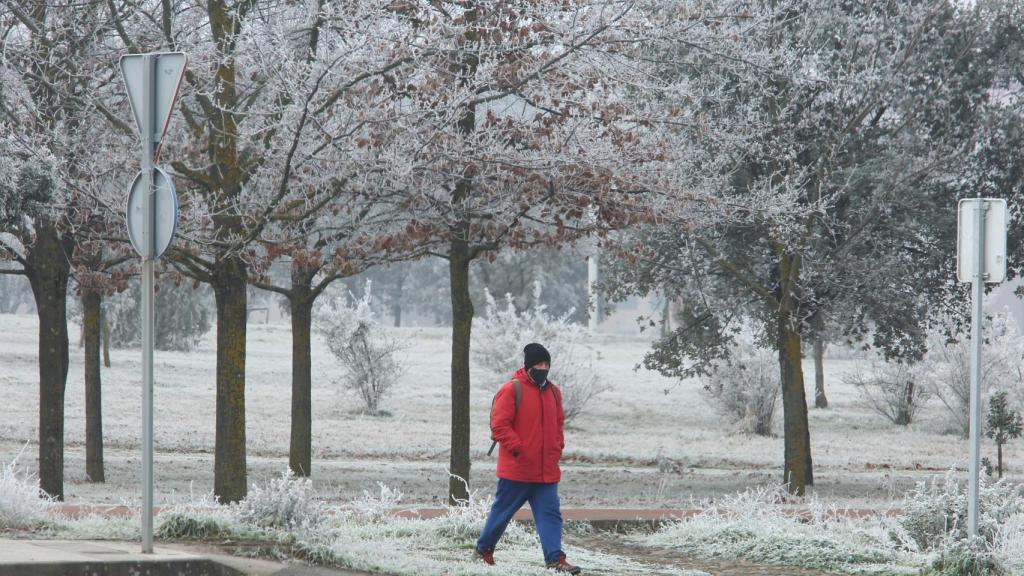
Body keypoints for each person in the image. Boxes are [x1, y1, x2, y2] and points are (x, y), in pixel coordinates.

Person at [474, 343, 581, 574]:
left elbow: (558, 424)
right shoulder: (511, 389)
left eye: (546, 364)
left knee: (551, 516)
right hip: (518, 470)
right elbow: (499, 425)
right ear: (529, 365)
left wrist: (557, 447)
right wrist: (519, 448)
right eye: (539, 364)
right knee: (501, 514)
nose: (543, 368)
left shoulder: (554, 392)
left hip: (546, 472)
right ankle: (483, 550)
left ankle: (555, 559)